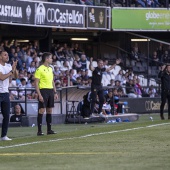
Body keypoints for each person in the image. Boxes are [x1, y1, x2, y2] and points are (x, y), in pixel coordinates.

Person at [34, 52, 58, 136]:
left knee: (49, 110)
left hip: (50, 90)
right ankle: (39, 131)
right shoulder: (39, 69)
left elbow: (52, 81)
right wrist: (39, 94)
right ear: (46, 59)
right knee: (41, 110)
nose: (52, 59)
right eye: (51, 58)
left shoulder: (51, 68)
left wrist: (55, 92)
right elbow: (36, 83)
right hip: (43, 90)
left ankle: (49, 130)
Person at [0, 49, 18, 141]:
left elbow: (15, 76)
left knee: (7, 115)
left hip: (5, 93)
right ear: (0, 57)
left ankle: (4, 136)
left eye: (7, 55)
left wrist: (14, 67)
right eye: (5, 55)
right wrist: (11, 71)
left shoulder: (7, 66)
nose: (7, 56)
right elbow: (2, 77)